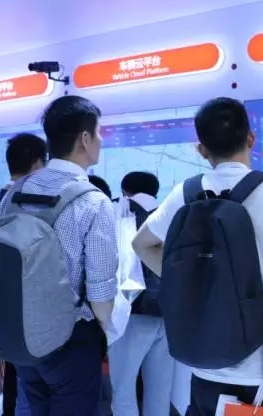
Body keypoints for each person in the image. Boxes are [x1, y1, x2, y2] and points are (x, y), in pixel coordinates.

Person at [132, 97, 263, 416]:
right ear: (251, 138)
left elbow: (141, 244)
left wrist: (186, 282)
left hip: (206, 363)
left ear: (201, 149)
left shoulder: (185, 194)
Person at [1, 95, 118, 415]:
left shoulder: (15, 193)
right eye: (99, 132)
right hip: (71, 339)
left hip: (22, 333)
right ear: (84, 139)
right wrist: (107, 329)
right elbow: (101, 295)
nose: (101, 139)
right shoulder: (93, 201)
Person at [0, 132, 46, 416]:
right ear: (37, 163)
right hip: (30, 305)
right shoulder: (25, 204)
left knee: (15, 374)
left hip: (6, 303)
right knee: (30, 382)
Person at [108, 171, 172, 416]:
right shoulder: (172, 213)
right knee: (160, 391)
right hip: (168, 314)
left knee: (123, 391)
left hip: (130, 314)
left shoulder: (119, 211)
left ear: (125, 191)